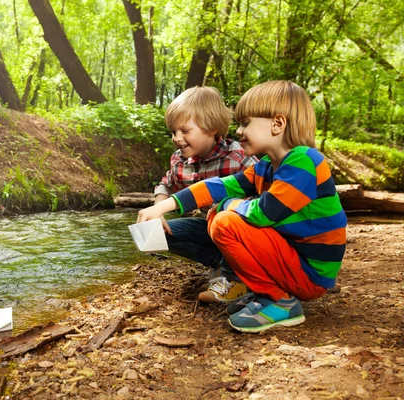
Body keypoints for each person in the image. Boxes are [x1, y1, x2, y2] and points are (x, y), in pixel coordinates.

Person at [139, 80, 347, 333]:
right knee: (220, 213)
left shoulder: (305, 161)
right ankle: (264, 292)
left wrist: (228, 204)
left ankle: (281, 302)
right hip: (291, 263)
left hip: (309, 274)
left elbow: (265, 213)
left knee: (226, 219)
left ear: (277, 124)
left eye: (246, 123)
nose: (238, 131)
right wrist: (162, 207)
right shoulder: (266, 167)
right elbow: (219, 186)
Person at [154, 86, 257, 304]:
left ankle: (235, 279)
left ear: (211, 128)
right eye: (173, 132)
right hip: (209, 228)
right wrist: (157, 210)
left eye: (184, 131)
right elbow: (165, 184)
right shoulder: (179, 160)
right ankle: (220, 263)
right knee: (154, 234)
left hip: (244, 230)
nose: (176, 138)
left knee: (228, 206)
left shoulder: (238, 156)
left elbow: (265, 188)